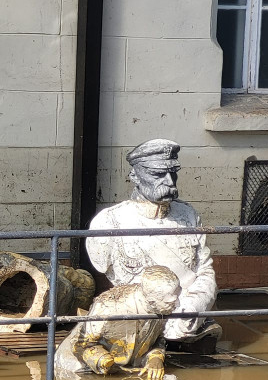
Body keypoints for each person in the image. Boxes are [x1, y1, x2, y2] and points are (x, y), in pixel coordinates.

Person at [86, 139, 218, 343]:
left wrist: (193, 308)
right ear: (134, 176)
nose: (169, 181)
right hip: (139, 322)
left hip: (189, 320)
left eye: (173, 173)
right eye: (157, 174)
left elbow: (205, 271)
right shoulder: (109, 222)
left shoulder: (189, 215)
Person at [55, 265, 181, 380]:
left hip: (129, 371)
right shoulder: (108, 307)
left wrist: (155, 359)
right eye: (171, 301)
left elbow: (157, 339)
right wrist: (102, 359)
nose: (177, 304)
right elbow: (80, 344)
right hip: (82, 369)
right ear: (151, 299)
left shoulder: (162, 308)